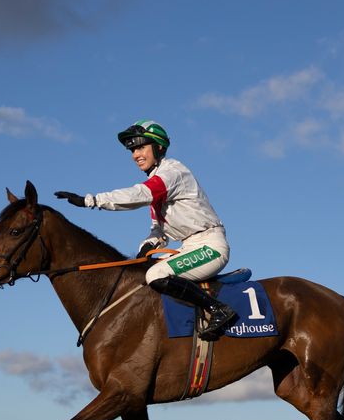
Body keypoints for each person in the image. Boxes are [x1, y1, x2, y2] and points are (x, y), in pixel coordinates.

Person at [54, 120, 236, 337]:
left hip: (210, 247)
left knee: (157, 274)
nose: (135, 155)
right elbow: (159, 231)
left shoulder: (173, 173)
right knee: (142, 274)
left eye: (141, 147)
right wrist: (147, 246)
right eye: (132, 150)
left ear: (158, 147)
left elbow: (140, 194)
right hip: (188, 247)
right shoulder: (157, 185)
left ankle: (218, 309)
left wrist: (91, 200)